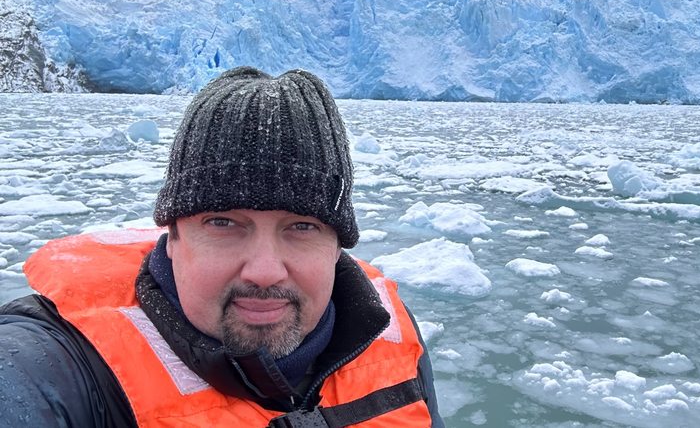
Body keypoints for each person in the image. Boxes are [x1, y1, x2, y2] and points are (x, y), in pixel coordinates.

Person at [0, 67, 443, 427]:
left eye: (302, 226)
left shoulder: (391, 337)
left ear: (336, 247)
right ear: (172, 236)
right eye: (223, 222)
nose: (265, 271)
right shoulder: (66, 368)